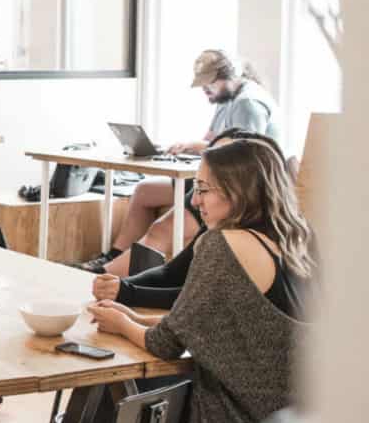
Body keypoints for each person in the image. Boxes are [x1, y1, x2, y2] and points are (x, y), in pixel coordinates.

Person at [88, 137, 313, 423]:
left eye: (203, 189)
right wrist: (133, 318)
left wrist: (120, 323)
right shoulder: (292, 241)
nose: (195, 200)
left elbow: (165, 345)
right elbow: (204, 323)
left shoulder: (223, 244)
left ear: (237, 191)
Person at [79, 50, 283, 275]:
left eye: (209, 84)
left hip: (238, 188)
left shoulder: (249, 103)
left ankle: (109, 276)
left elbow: (245, 157)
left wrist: (198, 147)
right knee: (145, 191)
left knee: (161, 229)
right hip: (218, 179)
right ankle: (115, 255)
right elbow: (211, 140)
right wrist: (184, 147)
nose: (205, 90)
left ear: (229, 77)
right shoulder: (226, 99)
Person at [91, 129, 291, 308]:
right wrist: (121, 286)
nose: (194, 201)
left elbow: (194, 305)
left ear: (240, 184)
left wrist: (126, 293)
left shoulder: (240, 242)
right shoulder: (226, 223)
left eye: (204, 188)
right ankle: (104, 267)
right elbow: (173, 274)